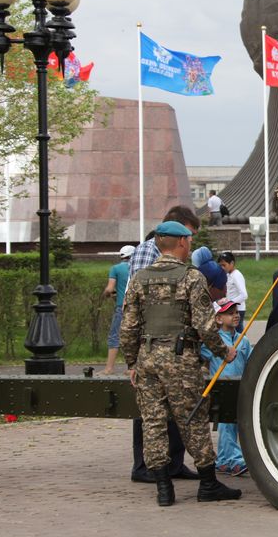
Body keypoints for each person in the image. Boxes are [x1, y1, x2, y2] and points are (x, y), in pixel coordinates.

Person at [120, 220, 241, 506]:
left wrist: (132, 363)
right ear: (182, 242)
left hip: (148, 359)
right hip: (181, 360)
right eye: (189, 240)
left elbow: (128, 326)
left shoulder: (139, 278)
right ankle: (208, 484)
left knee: (153, 422)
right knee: (193, 419)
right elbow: (205, 325)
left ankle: (164, 489)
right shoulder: (192, 278)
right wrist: (223, 351)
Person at [127, 206, 202, 485]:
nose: (191, 242)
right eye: (189, 235)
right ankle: (144, 466)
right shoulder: (147, 253)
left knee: (176, 405)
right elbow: (137, 303)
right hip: (152, 343)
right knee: (150, 412)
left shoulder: (180, 262)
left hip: (174, 344)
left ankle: (174, 464)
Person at [201, 299, 252, 477]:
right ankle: (234, 460)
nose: (235, 315)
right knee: (226, 426)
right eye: (230, 313)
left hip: (239, 388)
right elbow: (200, 354)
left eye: (236, 312)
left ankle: (223, 460)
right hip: (221, 389)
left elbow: (250, 362)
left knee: (235, 425)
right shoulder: (214, 342)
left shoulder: (243, 340)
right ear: (218, 319)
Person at [101, 244, 135, 374]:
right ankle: (132, 368)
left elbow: (110, 289)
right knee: (134, 336)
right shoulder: (137, 267)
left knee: (114, 336)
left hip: (122, 306)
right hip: (136, 306)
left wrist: (106, 294)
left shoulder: (116, 268)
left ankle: (109, 368)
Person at [218, 252, 248, 333]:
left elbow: (244, 295)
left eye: (224, 265)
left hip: (238, 310)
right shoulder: (228, 275)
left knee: (238, 333)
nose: (222, 267)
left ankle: (243, 342)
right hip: (231, 309)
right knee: (232, 332)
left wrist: (230, 302)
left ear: (232, 263)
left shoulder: (236, 275)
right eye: (220, 265)